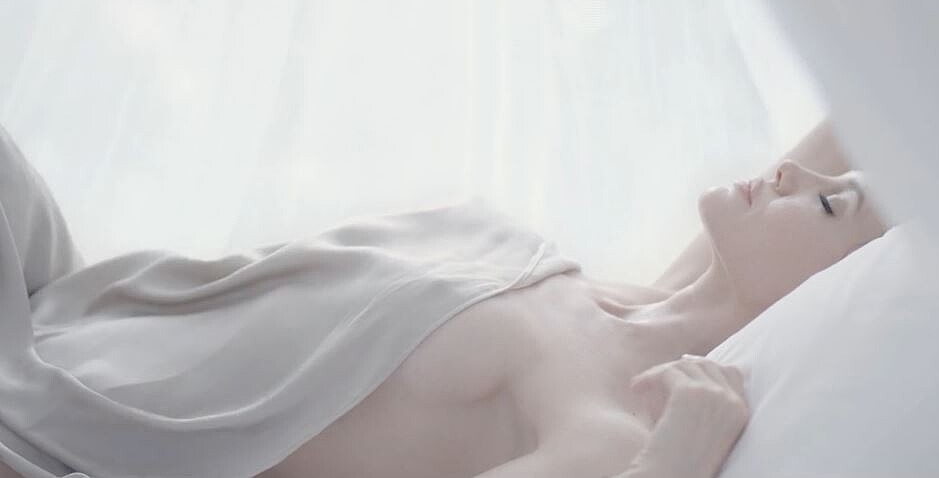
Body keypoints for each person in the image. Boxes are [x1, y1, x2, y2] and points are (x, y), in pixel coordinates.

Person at [254, 120, 889, 478]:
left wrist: (674, 463)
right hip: (200, 313)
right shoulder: (647, 300)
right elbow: (867, 97)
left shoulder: (610, 426)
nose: (790, 172)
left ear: (826, 289)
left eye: (830, 203)